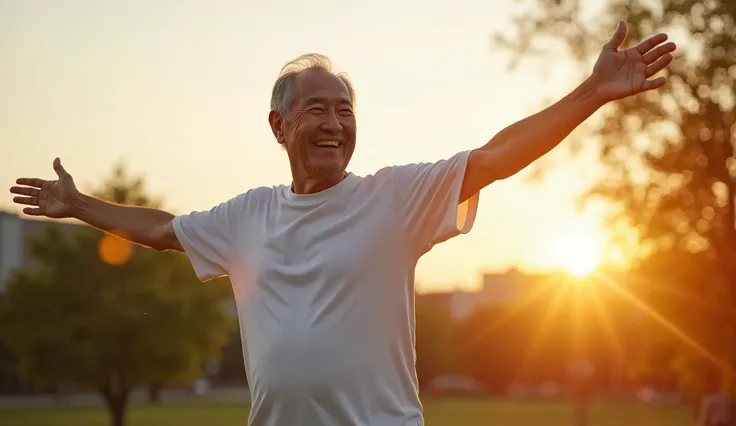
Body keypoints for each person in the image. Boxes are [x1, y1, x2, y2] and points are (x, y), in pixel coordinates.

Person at [9, 21, 675, 426]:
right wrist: (82, 204)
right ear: (280, 125)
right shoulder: (247, 216)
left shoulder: (395, 199)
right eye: (318, 109)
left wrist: (592, 94)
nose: (335, 125)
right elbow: (162, 231)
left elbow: (497, 158)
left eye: (346, 110)